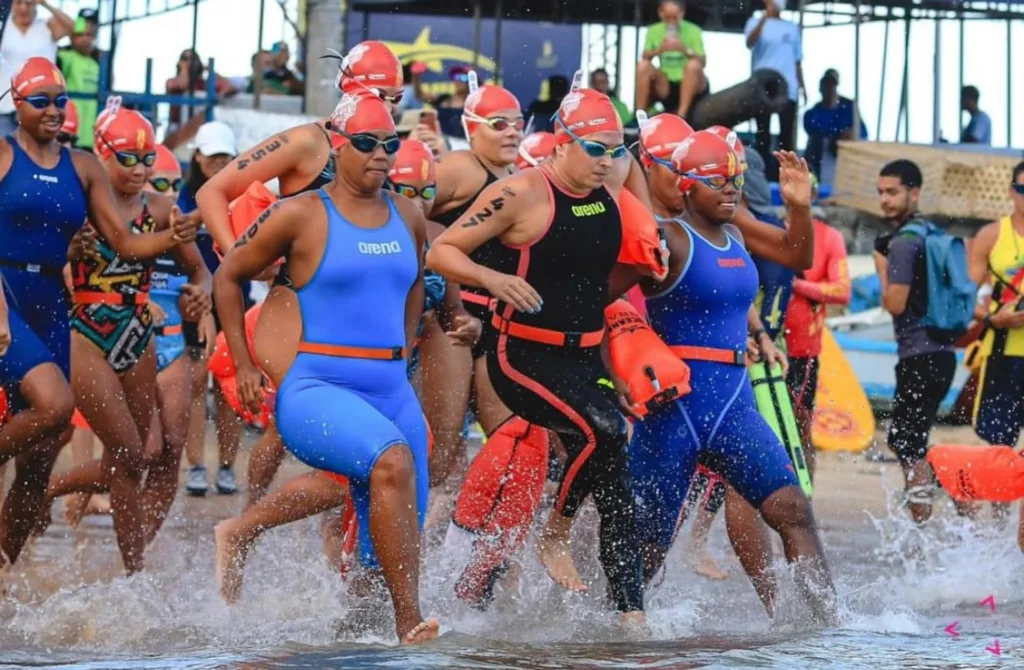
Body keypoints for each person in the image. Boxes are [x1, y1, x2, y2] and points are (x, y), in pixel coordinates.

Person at [213, 92, 438, 645]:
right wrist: (243, 361)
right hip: (318, 385)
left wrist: (403, 351)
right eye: (366, 143)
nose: (381, 154)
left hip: (389, 386)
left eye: (390, 143)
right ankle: (409, 624)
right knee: (391, 463)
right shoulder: (301, 213)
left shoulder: (409, 214)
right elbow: (228, 275)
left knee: (402, 515)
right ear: (337, 145)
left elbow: (414, 287)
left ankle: (361, 638)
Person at [428, 87, 648, 625]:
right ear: (561, 143)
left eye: (616, 151)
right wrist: (492, 278)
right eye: (596, 149)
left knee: (617, 480)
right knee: (606, 433)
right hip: (520, 358)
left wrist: (612, 367)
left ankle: (630, 616)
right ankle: (554, 533)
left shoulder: (608, 183)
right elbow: (441, 249)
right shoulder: (523, 192)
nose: (607, 161)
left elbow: (595, 287)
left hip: (584, 359)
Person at [633, 129, 837, 624]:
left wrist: (800, 206)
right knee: (647, 547)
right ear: (686, 185)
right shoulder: (669, 238)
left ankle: (829, 628)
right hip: (673, 409)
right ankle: (609, 629)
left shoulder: (737, 235)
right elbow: (607, 293)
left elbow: (797, 255)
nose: (730, 189)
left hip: (733, 402)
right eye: (717, 181)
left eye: (735, 180)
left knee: (793, 510)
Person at [0, 58, 197, 570]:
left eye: (59, 100)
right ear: (16, 104)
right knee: (55, 407)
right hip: (17, 295)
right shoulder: (2, 154)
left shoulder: (82, 165)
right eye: (39, 100)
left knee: (44, 459)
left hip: (57, 302)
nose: (51, 109)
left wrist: (172, 240)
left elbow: (126, 242)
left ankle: (6, 561)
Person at [195, 40, 407, 502]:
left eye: (396, 100)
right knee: (338, 433)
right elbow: (213, 191)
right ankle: (250, 524)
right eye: (382, 96)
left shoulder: (393, 147)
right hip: (294, 308)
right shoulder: (308, 142)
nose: (389, 109)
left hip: (356, 311)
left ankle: (308, 538)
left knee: (352, 440)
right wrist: (241, 258)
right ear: (351, 90)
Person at [36, 107, 212, 571]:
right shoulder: (75, 209)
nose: (140, 170)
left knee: (141, 458)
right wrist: (65, 256)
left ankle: (132, 573)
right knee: (131, 453)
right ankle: (50, 490)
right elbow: (37, 266)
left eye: (147, 158)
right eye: (128, 158)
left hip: (139, 332)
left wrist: (201, 295)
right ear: (102, 156)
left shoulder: (158, 211)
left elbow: (201, 270)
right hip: (86, 331)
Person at [873, 159, 957, 524]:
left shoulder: (904, 244)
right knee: (909, 439)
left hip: (919, 355)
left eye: (893, 192)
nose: (885, 200)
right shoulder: (931, 233)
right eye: (881, 192)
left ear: (915, 192)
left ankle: (926, 516)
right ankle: (933, 502)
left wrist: (881, 265)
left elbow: (894, 303)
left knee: (908, 442)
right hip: (941, 353)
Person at [967, 162, 1024, 541]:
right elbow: (965, 297)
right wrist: (994, 318)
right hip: (1002, 351)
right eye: (1023, 189)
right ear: (1010, 190)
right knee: (1000, 445)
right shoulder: (991, 235)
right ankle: (1002, 531)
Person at [784, 178, 850, 473]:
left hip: (803, 349)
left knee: (799, 426)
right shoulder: (766, 231)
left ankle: (804, 502)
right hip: (763, 344)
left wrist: (797, 285)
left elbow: (842, 291)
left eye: (799, 186)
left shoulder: (829, 237)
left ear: (812, 193)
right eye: (786, 184)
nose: (792, 191)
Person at [744, 0, 804, 179]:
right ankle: (762, 177)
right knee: (763, 135)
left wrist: (802, 86)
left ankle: (786, 176)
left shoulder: (792, 27)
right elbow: (750, 42)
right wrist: (764, 18)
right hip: (762, 87)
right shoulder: (754, 22)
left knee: (787, 137)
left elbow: (797, 60)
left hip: (788, 88)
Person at [0, 0, 74, 136]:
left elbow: (74, 28)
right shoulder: (3, 26)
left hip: (40, 107)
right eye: (19, 3)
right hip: (4, 107)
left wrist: (45, 3)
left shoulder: (47, 26)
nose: (23, 8)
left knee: (37, 155)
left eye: (28, 3)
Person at [635, 0, 707, 119]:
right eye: (668, 17)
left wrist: (684, 49)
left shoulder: (694, 30)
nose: (671, 22)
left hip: (691, 83)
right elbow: (645, 57)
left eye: (675, 17)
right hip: (665, 85)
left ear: (682, 13)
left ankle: (681, 115)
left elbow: (703, 62)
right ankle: (639, 115)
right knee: (643, 66)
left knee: (693, 65)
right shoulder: (654, 30)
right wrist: (660, 49)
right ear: (661, 14)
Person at [803, 69, 866, 187]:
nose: (829, 89)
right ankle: (814, 185)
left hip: (846, 154)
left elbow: (863, 132)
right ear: (820, 88)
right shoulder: (813, 112)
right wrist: (836, 134)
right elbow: (811, 129)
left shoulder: (850, 106)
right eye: (826, 85)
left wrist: (850, 133)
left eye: (832, 85)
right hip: (823, 153)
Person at [55, 15, 99, 151]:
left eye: (89, 35)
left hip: (91, 135)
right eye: (80, 34)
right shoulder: (65, 57)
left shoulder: (97, 64)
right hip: (69, 132)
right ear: (71, 37)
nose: (85, 39)